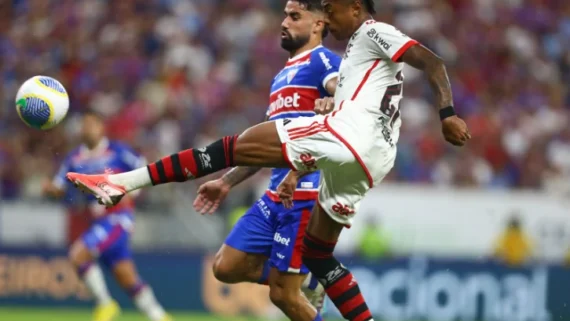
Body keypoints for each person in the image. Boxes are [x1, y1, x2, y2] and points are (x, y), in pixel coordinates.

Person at [66, 0, 470, 320]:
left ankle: (122, 182)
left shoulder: (355, 43)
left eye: (309, 12)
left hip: (339, 148)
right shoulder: (293, 74)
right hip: (364, 162)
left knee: (227, 148)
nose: (326, 15)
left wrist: (447, 114)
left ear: (355, 8)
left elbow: (425, 62)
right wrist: (229, 182)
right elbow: (315, 113)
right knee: (305, 256)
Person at [193, 1, 339, 320]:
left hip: (306, 191)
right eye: (285, 14)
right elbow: (263, 148)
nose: (284, 21)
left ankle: (300, 281)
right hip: (275, 193)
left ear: (318, 24)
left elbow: (342, 92)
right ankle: (309, 277)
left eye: (295, 16)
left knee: (283, 296)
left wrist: (336, 100)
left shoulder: (324, 60)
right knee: (226, 267)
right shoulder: (280, 78)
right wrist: (225, 181)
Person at [43, 111, 172, 321]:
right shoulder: (74, 157)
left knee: (78, 254)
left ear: (101, 127)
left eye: (91, 123)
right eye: (83, 124)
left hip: (118, 217)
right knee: (128, 279)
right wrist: (50, 189)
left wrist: (131, 191)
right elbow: (60, 186)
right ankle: (160, 316)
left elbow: (143, 168)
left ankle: (105, 304)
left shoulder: (118, 151)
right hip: (97, 221)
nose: (87, 128)